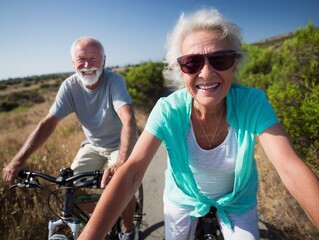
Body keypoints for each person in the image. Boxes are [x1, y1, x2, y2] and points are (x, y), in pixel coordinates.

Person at [77, 9, 319, 240]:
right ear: (180, 70)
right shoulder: (168, 110)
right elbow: (132, 173)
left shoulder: (252, 103)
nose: (206, 73)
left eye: (220, 60)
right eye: (192, 63)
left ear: (234, 65)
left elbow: (290, 169)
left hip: (237, 202)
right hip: (183, 199)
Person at [3, 37, 139, 240]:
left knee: (122, 186)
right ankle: (103, 217)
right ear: (73, 63)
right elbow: (48, 123)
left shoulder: (114, 81)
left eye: (94, 58)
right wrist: (18, 160)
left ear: (104, 60)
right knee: (66, 190)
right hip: (93, 145)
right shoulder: (70, 86)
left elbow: (128, 120)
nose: (87, 65)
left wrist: (121, 162)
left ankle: (128, 231)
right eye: (81, 59)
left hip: (120, 145)